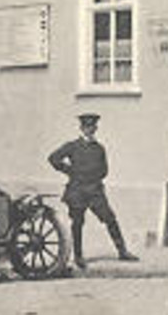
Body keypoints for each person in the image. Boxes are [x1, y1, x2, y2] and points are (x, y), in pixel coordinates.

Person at [47, 112, 139, 268]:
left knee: (110, 219)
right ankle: (78, 256)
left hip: (95, 190)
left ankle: (122, 251)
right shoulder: (73, 146)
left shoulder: (99, 148)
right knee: (77, 223)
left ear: (96, 128)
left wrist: (94, 177)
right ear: (81, 128)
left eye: (92, 127)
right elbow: (53, 158)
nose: (90, 130)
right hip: (77, 190)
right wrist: (70, 171)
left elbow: (104, 170)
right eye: (86, 127)